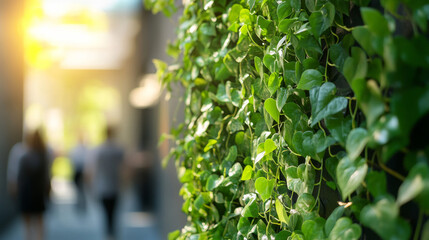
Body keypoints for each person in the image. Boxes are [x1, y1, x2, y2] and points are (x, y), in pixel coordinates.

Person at [91, 126, 124, 240]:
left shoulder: (99, 150)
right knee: (113, 211)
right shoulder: (118, 149)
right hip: (115, 185)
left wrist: (92, 184)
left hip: (103, 186)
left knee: (106, 212)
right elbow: (125, 167)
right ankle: (111, 232)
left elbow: (94, 169)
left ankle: (108, 233)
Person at [17, 129, 51, 240]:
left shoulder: (24, 156)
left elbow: (19, 177)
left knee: (27, 224)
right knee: (40, 222)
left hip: (26, 192)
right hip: (38, 192)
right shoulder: (44, 156)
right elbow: (47, 175)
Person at [69, 135, 88, 211]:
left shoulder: (77, 149)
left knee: (80, 189)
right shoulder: (83, 149)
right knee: (81, 189)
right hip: (80, 171)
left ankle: (81, 204)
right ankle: (81, 204)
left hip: (79, 171)